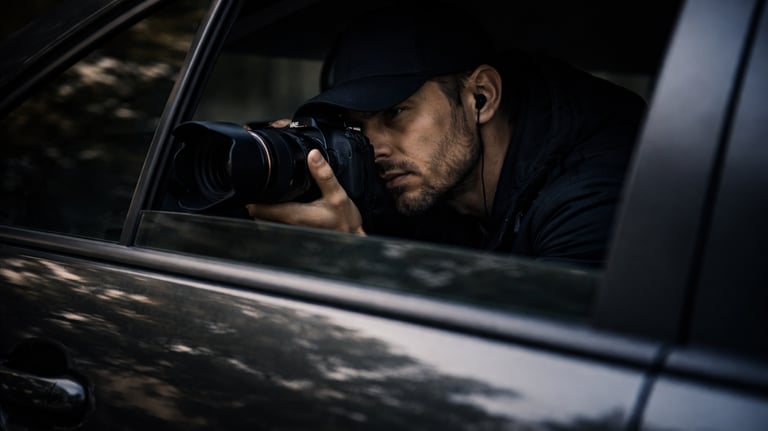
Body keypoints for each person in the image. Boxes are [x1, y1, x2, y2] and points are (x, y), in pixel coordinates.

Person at [245, 3, 647, 268]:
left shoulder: (598, 197)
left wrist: (353, 254)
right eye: (358, 127)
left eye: (394, 112)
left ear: (481, 97)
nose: (374, 147)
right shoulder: (423, 186)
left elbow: (533, 371)